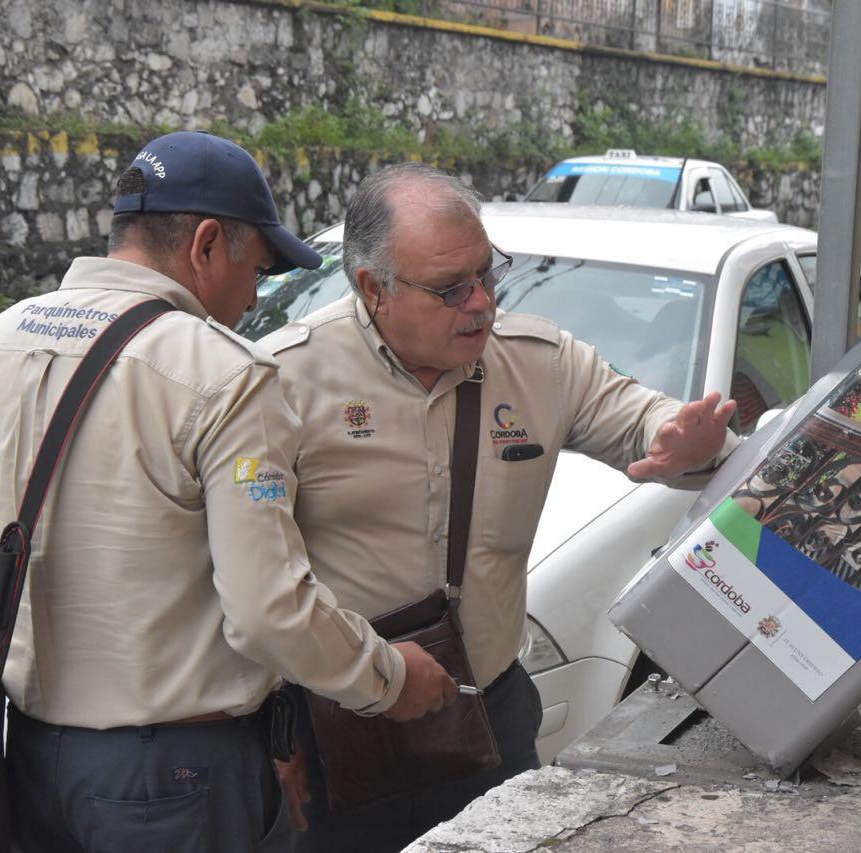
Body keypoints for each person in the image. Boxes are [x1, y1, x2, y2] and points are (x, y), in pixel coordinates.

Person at [0, 133, 456, 853]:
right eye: (258, 269)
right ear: (206, 245)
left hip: (22, 762)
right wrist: (391, 678)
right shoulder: (223, 376)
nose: (256, 297)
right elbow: (269, 610)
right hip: (179, 780)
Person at [262, 162, 740, 851]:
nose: (481, 302)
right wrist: (272, 730)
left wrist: (680, 436)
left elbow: (643, 419)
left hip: (485, 711)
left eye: (489, 274)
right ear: (374, 289)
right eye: (450, 289)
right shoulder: (283, 378)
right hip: (335, 729)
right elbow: (239, 576)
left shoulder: (539, 361)